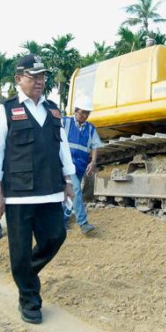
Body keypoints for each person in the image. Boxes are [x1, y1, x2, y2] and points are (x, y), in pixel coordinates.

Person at [0, 54, 75, 324]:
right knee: (20, 249)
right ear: (19, 79)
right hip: (18, 194)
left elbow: (62, 146)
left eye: (42, 76)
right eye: (33, 76)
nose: (39, 81)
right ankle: (29, 299)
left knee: (55, 237)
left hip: (50, 189)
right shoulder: (5, 110)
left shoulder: (52, 109)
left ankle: (24, 272)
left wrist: (69, 180)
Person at [62, 94, 102, 235]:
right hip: (67, 166)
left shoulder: (90, 129)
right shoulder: (65, 122)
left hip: (80, 166)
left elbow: (95, 146)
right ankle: (83, 223)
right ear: (75, 110)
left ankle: (61, 221)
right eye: (82, 112)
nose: (85, 115)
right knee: (77, 190)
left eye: (87, 113)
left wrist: (93, 161)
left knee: (69, 195)